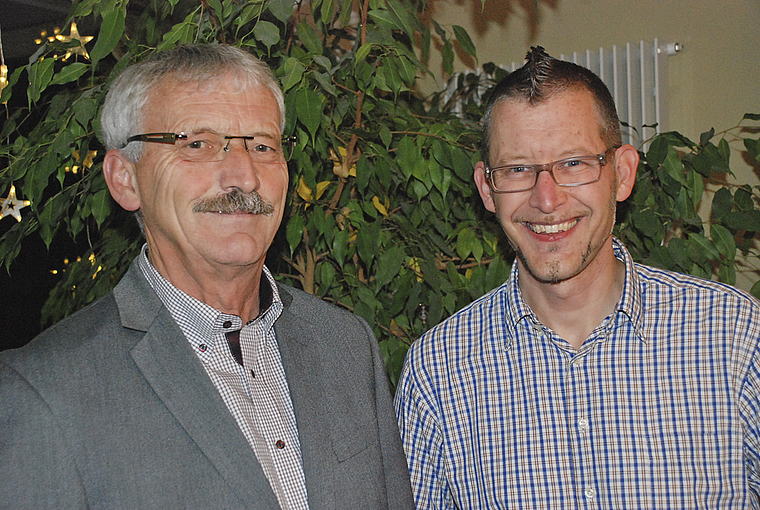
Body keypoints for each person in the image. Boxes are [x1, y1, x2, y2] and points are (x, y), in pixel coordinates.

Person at [0, 44, 413, 509]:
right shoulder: (42, 394)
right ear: (125, 180)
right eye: (197, 144)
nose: (244, 176)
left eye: (262, 145)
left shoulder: (345, 345)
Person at [394, 45, 760, 508]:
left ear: (623, 174)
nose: (546, 199)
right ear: (488, 188)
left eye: (573, 163)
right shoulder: (439, 374)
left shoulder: (733, 337)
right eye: (518, 169)